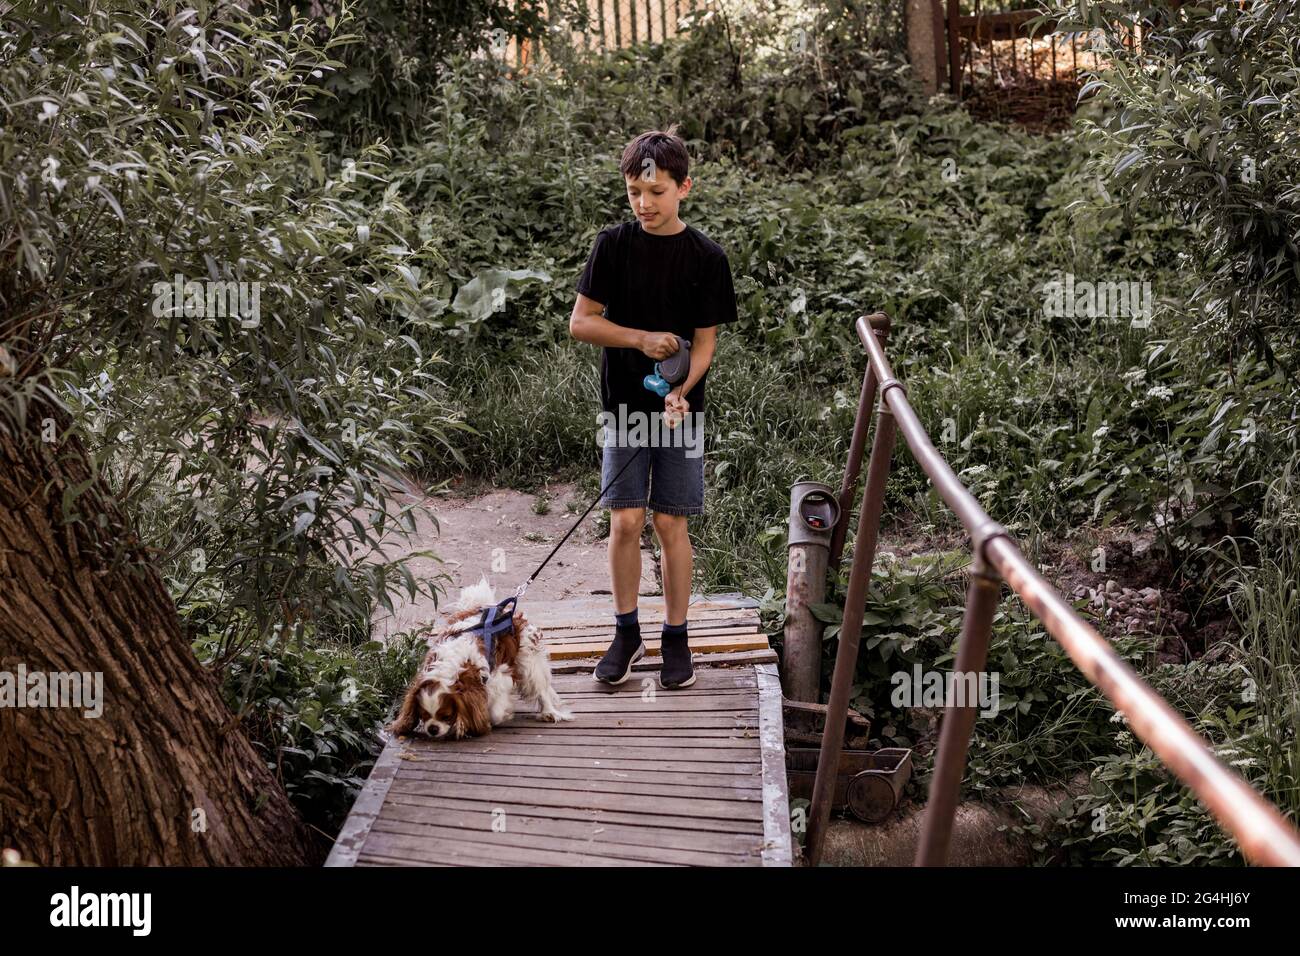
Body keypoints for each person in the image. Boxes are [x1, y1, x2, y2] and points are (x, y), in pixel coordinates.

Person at [569, 124, 739, 689]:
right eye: (634, 192)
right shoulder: (612, 245)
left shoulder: (707, 258)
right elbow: (582, 323)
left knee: (670, 521)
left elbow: (706, 342)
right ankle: (625, 632)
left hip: (681, 411)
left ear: (684, 188)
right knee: (625, 520)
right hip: (622, 406)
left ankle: (675, 637)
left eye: (657, 192)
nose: (644, 204)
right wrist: (641, 339)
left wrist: (681, 391)